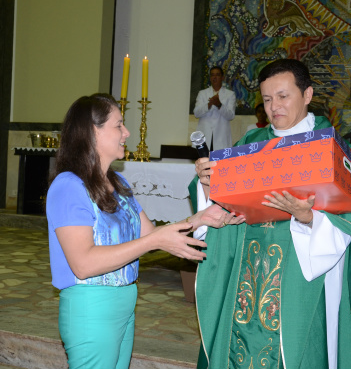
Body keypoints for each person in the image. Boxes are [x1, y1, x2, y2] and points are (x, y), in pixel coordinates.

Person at [190, 59, 351, 369]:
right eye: (267, 99)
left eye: (283, 96)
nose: (273, 107)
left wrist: (309, 218)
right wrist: (207, 184)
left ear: (307, 94)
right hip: (248, 273)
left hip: (303, 274)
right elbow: (220, 207)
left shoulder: (332, 147)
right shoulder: (249, 144)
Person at [46, 93, 244, 369]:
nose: (126, 132)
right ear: (92, 131)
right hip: (91, 307)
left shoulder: (118, 182)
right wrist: (156, 239)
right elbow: (83, 264)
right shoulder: (69, 186)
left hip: (125, 304)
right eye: (118, 125)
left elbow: (151, 235)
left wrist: (200, 219)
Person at [193, 66, 236, 151]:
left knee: (220, 163)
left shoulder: (230, 94)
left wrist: (219, 104)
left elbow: (231, 116)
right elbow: (196, 113)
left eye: (217, 75)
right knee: (204, 162)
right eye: (212, 75)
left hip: (221, 136)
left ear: (222, 77)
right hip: (205, 134)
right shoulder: (202, 93)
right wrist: (209, 104)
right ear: (210, 78)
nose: (214, 77)